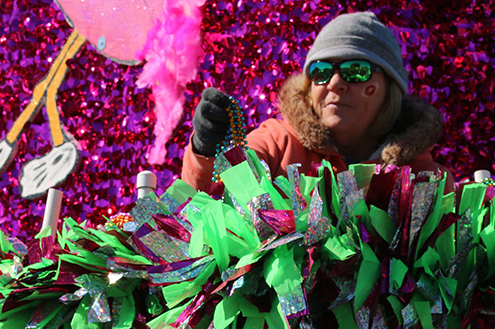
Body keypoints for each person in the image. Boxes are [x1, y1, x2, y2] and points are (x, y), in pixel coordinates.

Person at [183, 11, 453, 195]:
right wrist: (207, 151)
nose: (335, 83)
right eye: (321, 71)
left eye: (356, 70)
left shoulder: (424, 179)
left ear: (388, 89)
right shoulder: (275, 144)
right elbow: (211, 205)